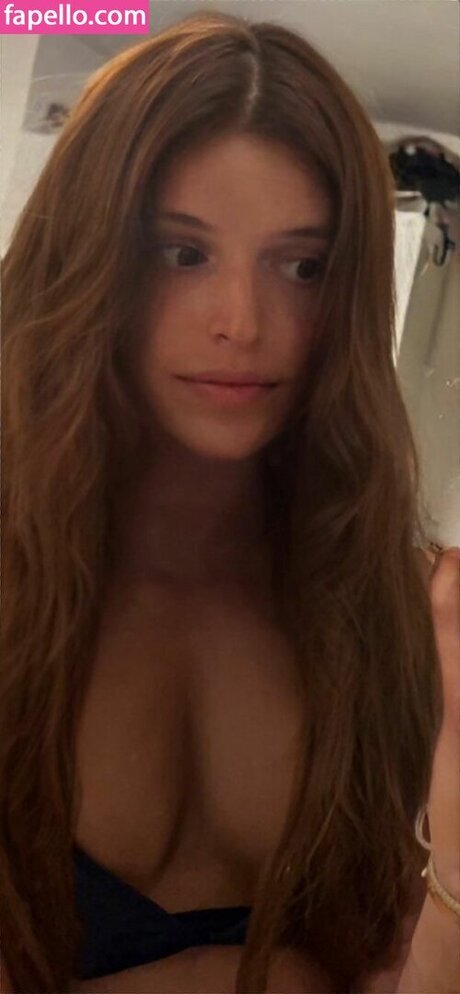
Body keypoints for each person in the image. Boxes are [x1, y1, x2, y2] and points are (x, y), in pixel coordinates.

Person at [1, 11, 459, 994]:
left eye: (302, 266)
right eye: (183, 254)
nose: (243, 324)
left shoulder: (392, 609)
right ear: (86, 259)